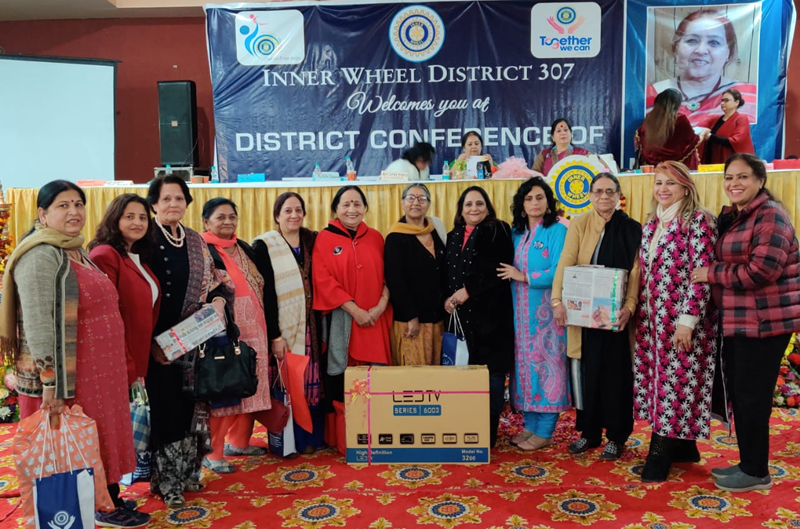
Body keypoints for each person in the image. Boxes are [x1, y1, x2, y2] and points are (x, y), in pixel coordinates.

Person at [0, 181, 149, 528]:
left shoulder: (76, 250)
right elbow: (39, 324)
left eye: (78, 204)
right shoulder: (39, 255)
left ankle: (108, 499)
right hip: (70, 375)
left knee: (99, 436)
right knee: (78, 441)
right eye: (63, 206)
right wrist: (49, 382)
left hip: (99, 369)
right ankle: (92, 506)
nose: (74, 212)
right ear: (43, 213)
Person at [692, 153, 800, 492]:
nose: (734, 184)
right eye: (729, 178)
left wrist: (710, 274)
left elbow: (761, 271)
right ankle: (749, 463)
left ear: (760, 181)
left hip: (765, 324)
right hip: (743, 321)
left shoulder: (771, 217)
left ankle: (756, 472)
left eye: (742, 177)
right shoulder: (743, 216)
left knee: (753, 398)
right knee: (744, 395)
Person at [145, 176, 231, 508]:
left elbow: (219, 281)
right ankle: (165, 483)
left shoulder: (195, 240)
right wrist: (151, 341)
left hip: (194, 341)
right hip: (158, 343)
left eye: (179, 199)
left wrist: (220, 302)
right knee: (166, 411)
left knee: (191, 410)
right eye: (166, 199)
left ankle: (187, 474)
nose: (173, 205)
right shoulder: (146, 239)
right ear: (153, 203)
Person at [633, 161, 718, 482]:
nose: (663, 189)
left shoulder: (698, 221)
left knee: (675, 384)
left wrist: (688, 320)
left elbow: (701, 276)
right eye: (658, 183)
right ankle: (684, 446)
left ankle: (659, 455)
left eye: (670, 183)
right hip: (653, 320)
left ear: (685, 187)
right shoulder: (653, 223)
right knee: (662, 382)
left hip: (684, 321)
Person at [552, 173, 642, 460]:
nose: (604, 197)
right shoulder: (579, 223)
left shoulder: (632, 229)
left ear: (618, 196)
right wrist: (557, 300)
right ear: (589, 196)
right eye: (598, 192)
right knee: (586, 376)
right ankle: (589, 433)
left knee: (617, 378)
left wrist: (629, 306)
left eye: (610, 192)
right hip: (584, 318)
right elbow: (566, 261)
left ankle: (617, 436)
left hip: (615, 318)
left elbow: (637, 273)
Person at [312, 186, 392, 452]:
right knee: (342, 378)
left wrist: (380, 305)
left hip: (375, 319)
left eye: (357, 204)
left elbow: (387, 277)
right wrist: (355, 310)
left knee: (375, 377)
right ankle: (344, 440)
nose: (352, 209)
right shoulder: (324, 239)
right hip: (343, 320)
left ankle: (378, 434)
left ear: (365, 208)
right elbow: (323, 280)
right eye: (346, 204)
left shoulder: (377, 238)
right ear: (336, 208)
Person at [200, 198, 272, 473]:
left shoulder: (243, 247)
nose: (228, 222)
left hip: (256, 328)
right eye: (221, 217)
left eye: (232, 217)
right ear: (206, 221)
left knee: (249, 384)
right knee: (226, 388)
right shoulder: (202, 249)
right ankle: (214, 453)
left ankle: (239, 442)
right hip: (224, 331)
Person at [498, 178, 569, 451]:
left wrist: (524, 276)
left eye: (540, 197)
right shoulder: (517, 232)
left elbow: (559, 270)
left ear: (548, 201)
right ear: (522, 204)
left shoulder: (557, 230)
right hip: (519, 315)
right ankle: (530, 426)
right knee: (523, 368)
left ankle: (546, 430)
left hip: (547, 314)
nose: (535, 203)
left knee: (547, 366)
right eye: (529, 199)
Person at [253, 192, 325, 455]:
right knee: (288, 383)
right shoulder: (264, 245)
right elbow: (266, 294)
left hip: (311, 327)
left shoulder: (312, 241)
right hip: (283, 329)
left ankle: (312, 438)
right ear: (276, 216)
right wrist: (275, 335)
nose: (294, 215)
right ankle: (289, 441)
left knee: (310, 381)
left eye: (298, 210)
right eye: (287, 211)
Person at [445, 186, 514, 448]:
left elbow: (499, 268)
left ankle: (488, 433)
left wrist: (467, 291)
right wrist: (448, 298)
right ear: (461, 211)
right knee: (464, 374)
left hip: (492, 315)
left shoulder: (498, 229)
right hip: (461, 318)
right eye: (468, 205)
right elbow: (447, 273)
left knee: (492, 375)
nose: (474, 209)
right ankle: (464, 427)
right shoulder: (452, 235)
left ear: (488, 207)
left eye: (479, 204)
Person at [88, 193, 161, 386]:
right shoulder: (105, 256)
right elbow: (107, 318)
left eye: (143, 218)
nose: (137, 222)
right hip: (117, 361)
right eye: (129, 217)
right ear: (115, 219)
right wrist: (127, 365)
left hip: (137, 359)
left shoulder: (136, 257)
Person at [646, 9, 757, 126]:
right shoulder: (650, 96)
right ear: (676, 49)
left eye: (714, 42)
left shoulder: (750, 96)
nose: (701, 50)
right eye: (692, 40)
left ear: (729, 53)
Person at [384, 184, 447, 366]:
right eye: (411, 198)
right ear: (403, 203)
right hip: (411, 321)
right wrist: (411, 315)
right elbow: (395, 280)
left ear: (429, 204)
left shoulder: (436, 229)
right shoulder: (396, 237)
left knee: (436, 376)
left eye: (422, 198)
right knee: (413, 376)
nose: (416, 203)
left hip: (437, 318)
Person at [636, 88, 702, 170]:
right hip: (674, 170)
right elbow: (691, 142)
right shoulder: (680, 119)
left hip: (652, 170)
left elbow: (640, 137)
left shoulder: (649, 119)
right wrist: (703, 134)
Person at [697, 89, 755, 164]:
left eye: (726, 100)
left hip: (730, 162)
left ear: (736, 102)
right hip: (711, 160)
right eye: (722, 100)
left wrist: (711, 136)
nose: (722, 103)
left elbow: (737, 141)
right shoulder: (714, 119)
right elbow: (697, 129)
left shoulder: (741, 119)